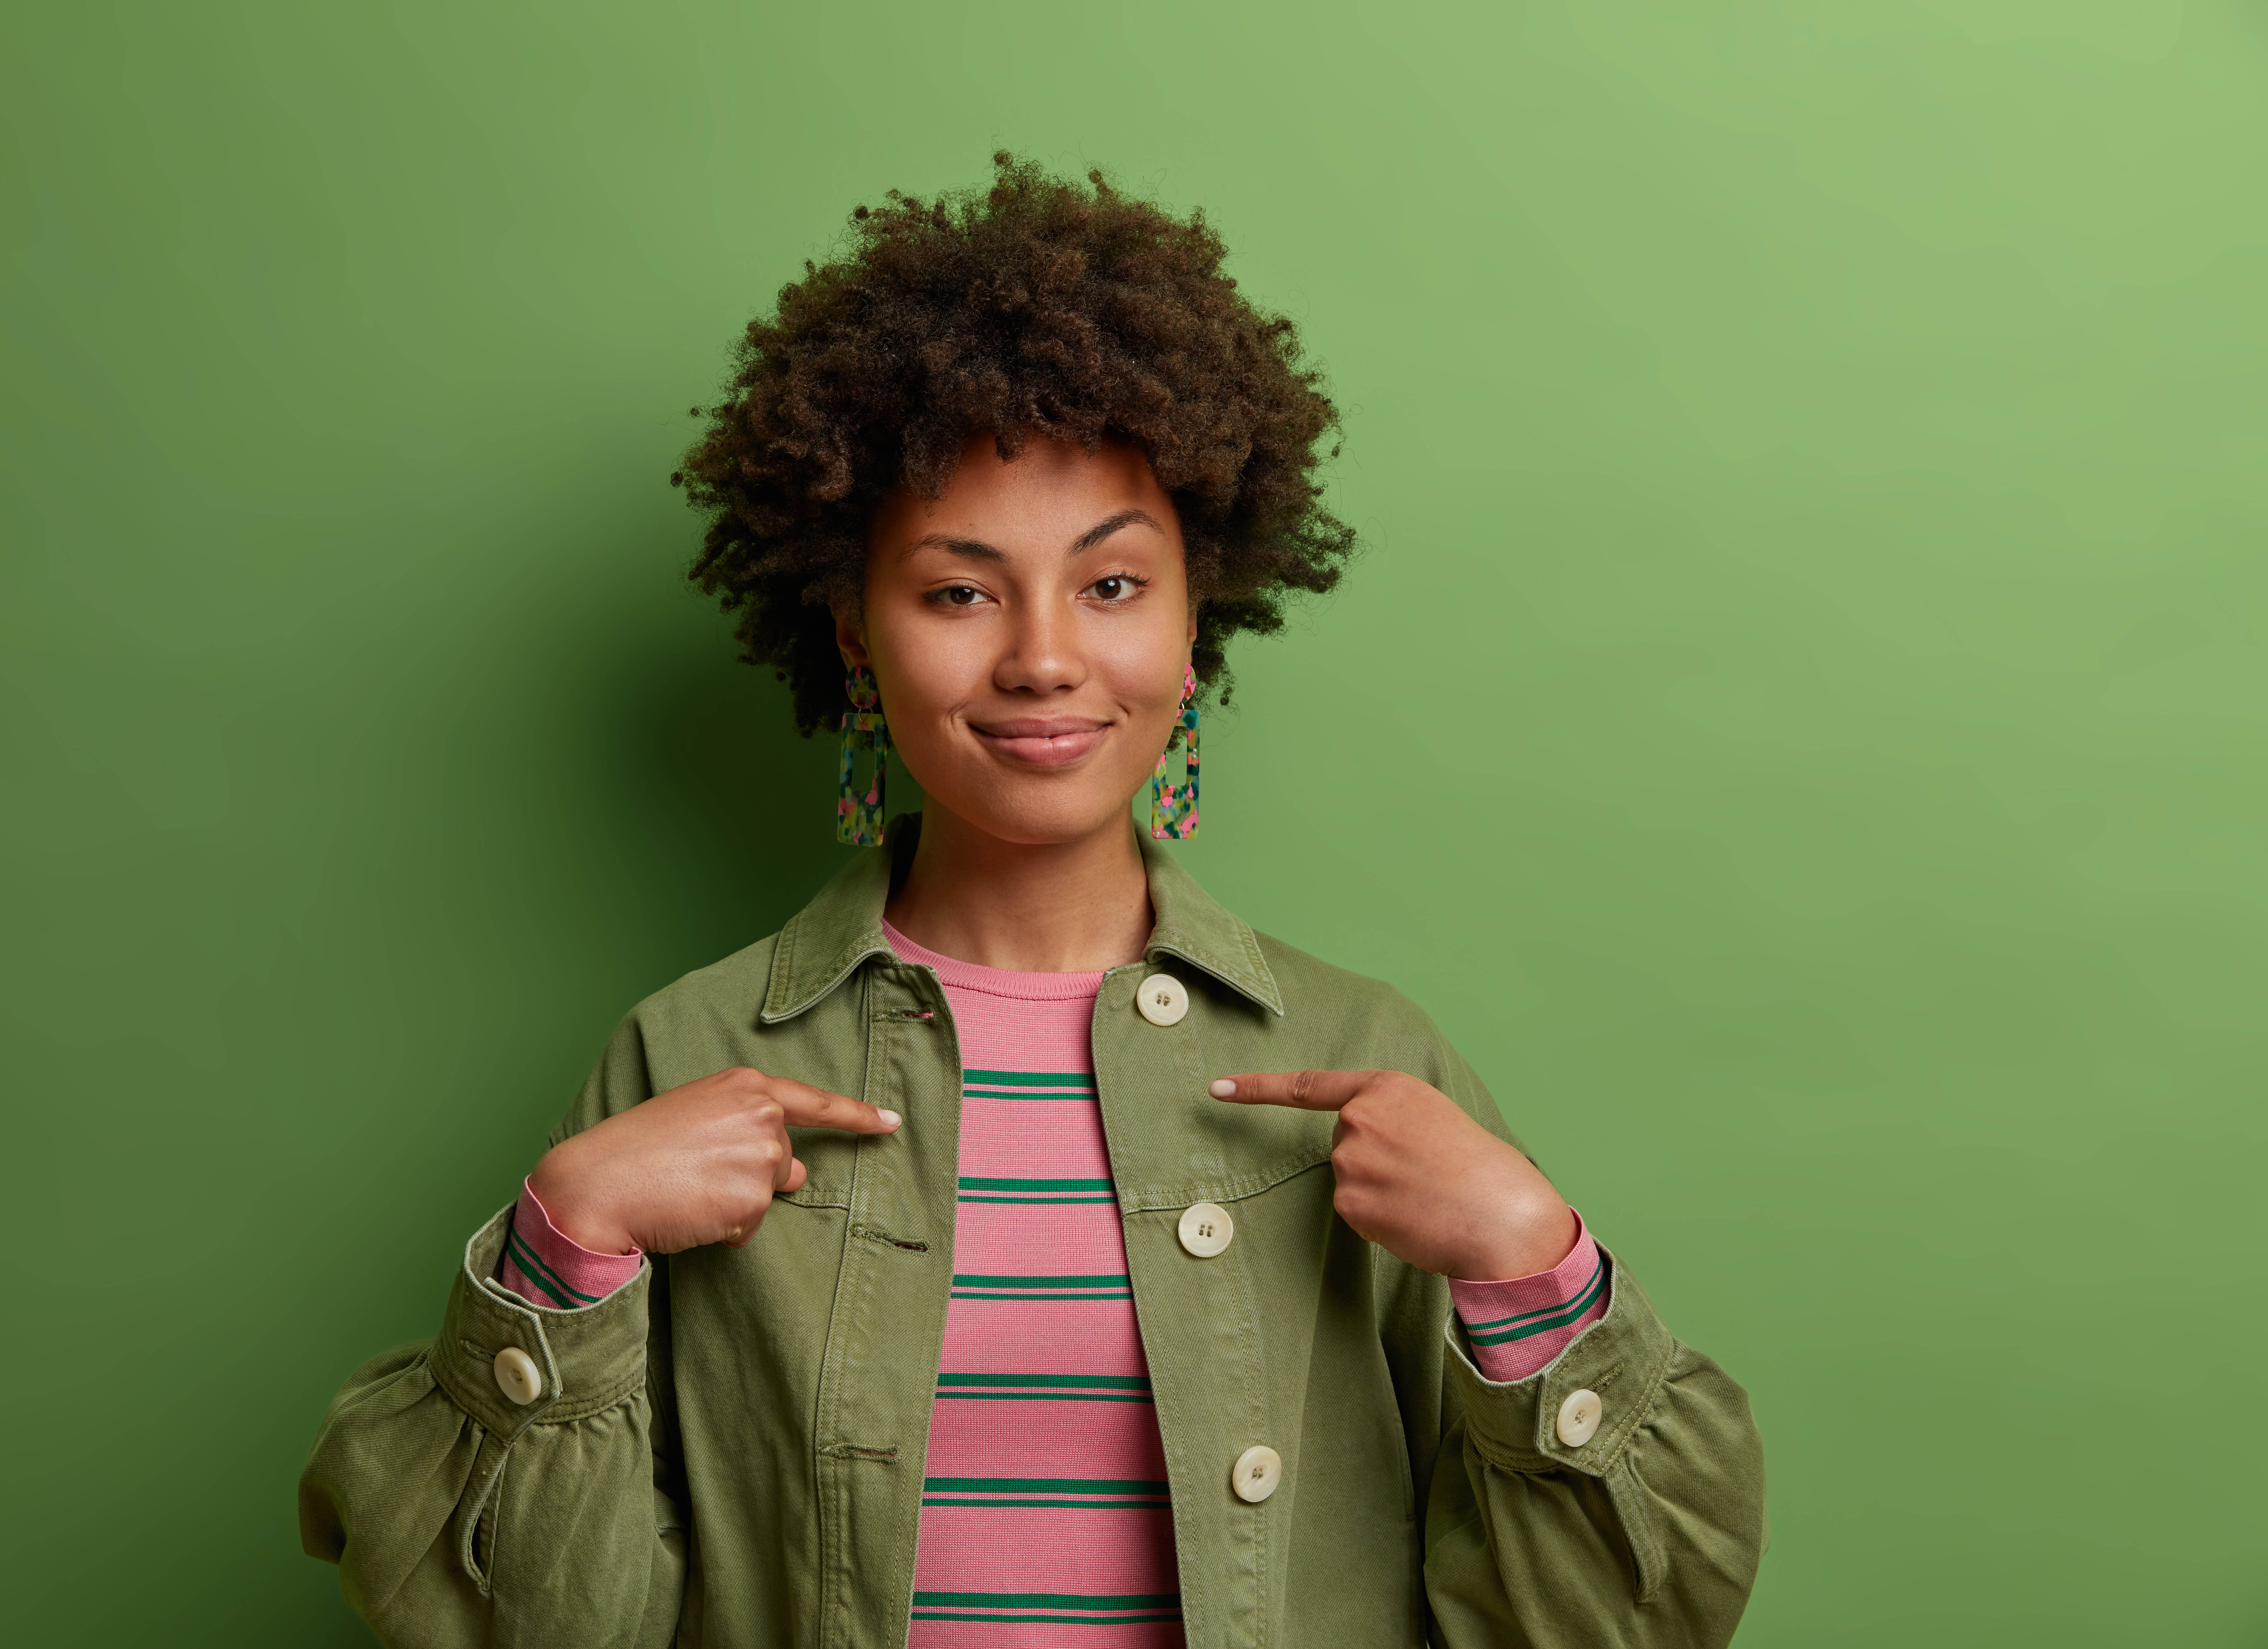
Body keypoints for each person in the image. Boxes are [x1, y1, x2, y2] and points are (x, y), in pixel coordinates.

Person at [300, 156, 1765, 1648]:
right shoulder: (686, 1057)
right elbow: (535, 1631)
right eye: (958, 591)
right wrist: (568, 1239)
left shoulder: (1364, 1060)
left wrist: (1537, 1267)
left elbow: (1604, 1627)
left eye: (1114, 586)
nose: (1044, 660)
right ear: (853, 636)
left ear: (1200, 619)